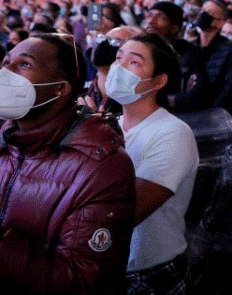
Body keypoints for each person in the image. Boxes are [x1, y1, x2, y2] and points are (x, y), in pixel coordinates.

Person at [0, 34, 136, 294]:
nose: (6, 73)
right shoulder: (6, 141)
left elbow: (81, 280)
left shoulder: (102, 167)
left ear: (60, 88)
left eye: (25, 64)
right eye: (7, 62)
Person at [107, 33, 199, 294]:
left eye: (134, 63)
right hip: (110, 266)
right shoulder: (109, 124)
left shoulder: (172, 133)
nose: (119, 67)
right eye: (118, 58)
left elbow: (128, 211)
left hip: (150, 270)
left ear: (158, 81)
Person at [170, 0, 232, 119]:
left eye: (210, 13)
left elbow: (230, 89)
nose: (203, 14)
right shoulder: (190, 47)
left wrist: (210, 112)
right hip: (190, 113)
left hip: (216, 116)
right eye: (202, 10)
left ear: (220, 23)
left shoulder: (230, 49)